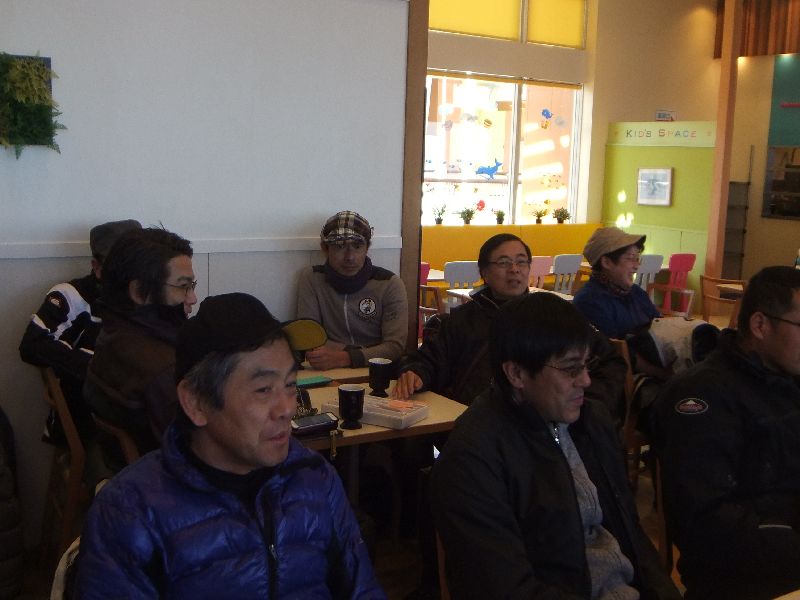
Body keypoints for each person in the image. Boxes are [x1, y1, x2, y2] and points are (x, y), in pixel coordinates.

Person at [75, 293, 385, 599]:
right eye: (263, 390)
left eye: (290, 385)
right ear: (195, 402)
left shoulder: (315, 477)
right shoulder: (130, 512)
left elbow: (362, 590)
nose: (287, 408)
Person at [430, 293, 680, 600]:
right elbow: (504, 588)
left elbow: (631, 535)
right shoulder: (473, 457)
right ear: (516, 373)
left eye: (587, 365)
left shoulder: (591, 422)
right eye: (571, 369)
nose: (586, 381)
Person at [651, 266, 800, 600]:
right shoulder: (701, 397)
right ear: (760, 325)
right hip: (745, 580)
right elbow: (709, 524)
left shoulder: (787, 379)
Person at [393, 233, 628, 422]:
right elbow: (431, 358)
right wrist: (416, 373)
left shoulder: (554, 316)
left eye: (521, 261)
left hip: (544, 425)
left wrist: (583, 407)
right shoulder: (463, 319)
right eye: (503, 262)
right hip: (474, 423)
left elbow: (610, 362)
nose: (514, 269)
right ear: (484, 273)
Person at [19, 219, 142, 443]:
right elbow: (32, 344)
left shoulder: (151, 298)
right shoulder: (71, 295)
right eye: (120, 268)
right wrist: (98, 367)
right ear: (97, 267)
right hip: (92, 423)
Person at [84, 226, 196, 455]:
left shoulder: (114, 331)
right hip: (164, 473)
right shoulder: (163, 368)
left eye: (192, 286)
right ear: (139, 292)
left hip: (123, 466)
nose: (193, 298)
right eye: (183, 287)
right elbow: (194, 453)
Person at [297, 210, 408, 370]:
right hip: (327, 370)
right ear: (325, 249)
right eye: (340, 247)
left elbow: (395, 347)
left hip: (378, 371)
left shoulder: (389, 284)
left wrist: (345, 357)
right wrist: (361, 352)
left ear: (367, 248)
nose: (350, 257)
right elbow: (309, 337)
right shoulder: (312, 278)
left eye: (357, 246)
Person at [573, 226, 667, 378]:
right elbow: (618, 351)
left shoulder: (636, 293)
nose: (636, 266)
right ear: (606, 262)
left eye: (637, 258)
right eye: (630, 258)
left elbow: (661, 327)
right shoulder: (589, 301)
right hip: (624, 379)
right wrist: (665, 375)